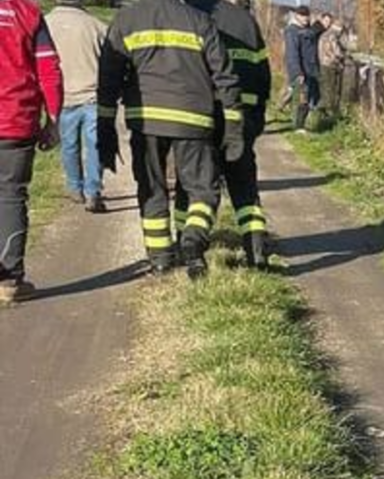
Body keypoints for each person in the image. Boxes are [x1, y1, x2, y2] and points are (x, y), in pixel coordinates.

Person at [98, 0, 244, 279]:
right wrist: (234, 129)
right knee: (203, 189)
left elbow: (108, 76)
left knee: (151, 188)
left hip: (145, 120)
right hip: (194, 119)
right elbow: (226, 76)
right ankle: (193, 239)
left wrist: (104, 126)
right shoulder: (199, 21)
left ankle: (161, 260)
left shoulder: (126, 19)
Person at [176, 0, 272, 269]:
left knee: (192, 185)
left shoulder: (189, 16)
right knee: (244, 186)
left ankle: (186, 243)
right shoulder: (245, 20)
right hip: (243, 116)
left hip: (201, 115)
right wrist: (256, 114)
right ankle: (256, 249)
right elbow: (263, 73)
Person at [0, 0, 63, 304]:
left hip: (14, 120)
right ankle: (10, 279)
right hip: (16, 121)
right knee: (11, 195)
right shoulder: (28, 12)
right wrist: (53, 118)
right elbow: (48, 68)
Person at [47, 0, 108, 213]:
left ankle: (74, 187)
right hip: (93, 96)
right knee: (95, 146)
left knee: (69, 145)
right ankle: (93, 191)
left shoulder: (45, 24)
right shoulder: (96, 25)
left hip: (62, 97)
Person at [284, 5, 320, 132]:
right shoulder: (292, 31)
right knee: (301, 99)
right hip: (300, 70)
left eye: (307, 15)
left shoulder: (308, 30)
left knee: (311, 99)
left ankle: (303, 124)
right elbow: (292, 54)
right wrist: (297, 72)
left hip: (311, 70)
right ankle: (298, 126)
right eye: (303, 16)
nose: (305, 18)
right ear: (297, 16)